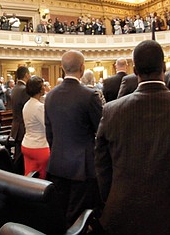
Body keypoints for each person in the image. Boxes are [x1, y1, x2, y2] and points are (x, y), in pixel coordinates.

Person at [95, 40, 170, 235]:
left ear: (135, 71)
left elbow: (102, 166)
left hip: (121, 215)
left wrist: (112, 198)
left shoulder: (111, 110)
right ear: (163, 68)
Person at [45, 50, 102, 227]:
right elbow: (100, 131)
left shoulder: (50, 96)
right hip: (82, 169)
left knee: (60, 214)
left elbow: (50, 134)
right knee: (79, 219)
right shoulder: (89, 95)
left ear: (62, 68)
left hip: (57, 164)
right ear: (83, 68)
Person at [21, 76, 48, 179]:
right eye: (43, 86)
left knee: (29, 178)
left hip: (27, 145)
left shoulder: (27, 104)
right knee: (42, 180)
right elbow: (47, 126)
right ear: (40, 89)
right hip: (39, 147)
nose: (45, 88)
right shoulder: (39, 107)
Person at [10, 66, 30, 173]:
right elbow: (27, 109)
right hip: (22, 127)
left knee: (18, 154)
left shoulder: (15, 88)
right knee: (20, 158)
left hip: (16, 126)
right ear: (26, 74)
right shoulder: (24, 90)